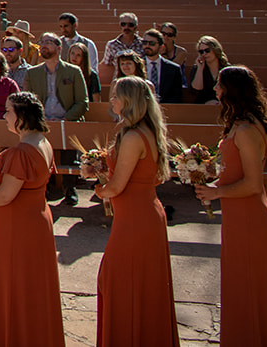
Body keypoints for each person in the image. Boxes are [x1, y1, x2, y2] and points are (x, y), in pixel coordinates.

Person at [193, 66, 267, 346]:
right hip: (238, 216)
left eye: (219, 85)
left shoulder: (247, 129)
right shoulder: (239, 122)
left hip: (249, 218)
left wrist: (216, 193)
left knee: (248, 286)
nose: (215, 90)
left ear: (231, 90)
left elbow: (252, 184)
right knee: (240, 286)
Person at [91, 76, 178, 347]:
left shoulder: (132, 136)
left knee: (119, 283)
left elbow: (117, 186)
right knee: (137, 286)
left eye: (116, 96)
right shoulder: (145, 131)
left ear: (129, 101)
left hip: (136, 221)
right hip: (141, 214)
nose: (112, 100)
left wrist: (99, 189)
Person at [0, 92, 62, 347]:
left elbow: (5, 196)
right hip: (36, 219)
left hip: (19, 228)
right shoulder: (42, 142)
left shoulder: (22, 151)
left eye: (8, 111)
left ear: (22, 116)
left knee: (17, 287)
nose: (4, 116)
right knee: (33, 287)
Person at [23, 33, 87, 203]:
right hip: (42, 122)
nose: (43, 45)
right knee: (38, 145)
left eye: (49, 42)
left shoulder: (73, 71)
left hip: (67, 120)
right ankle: (46, 186)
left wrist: (66, 119)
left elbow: (82, 102)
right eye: (42, 42)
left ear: (59, 48)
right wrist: (41, 119)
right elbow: (28, 101)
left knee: (69, 146)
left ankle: (69, 188)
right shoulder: (32, 73)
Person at [139, 29, 185, 103]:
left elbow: (176, 96)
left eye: (152, 43)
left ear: (161, 47)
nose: (147, 46)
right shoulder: (136, 65)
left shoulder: (173, 69)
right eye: (145, 43)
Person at [185, 36, 228, 104]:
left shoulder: (226, 68)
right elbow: (197, 89)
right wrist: (200, 68)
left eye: (207, 50)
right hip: (203, 104)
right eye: (201, 52)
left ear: (215, 49)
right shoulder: (197, 68)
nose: (204, 54)